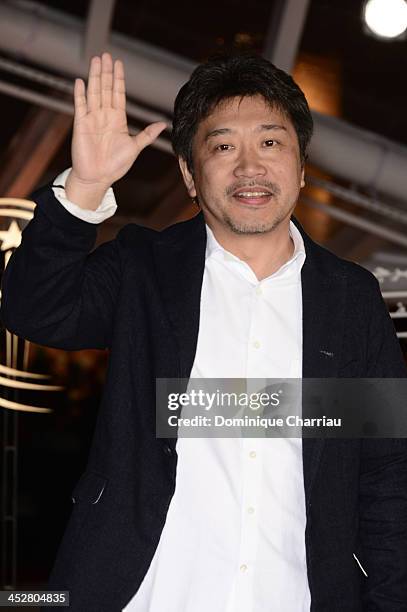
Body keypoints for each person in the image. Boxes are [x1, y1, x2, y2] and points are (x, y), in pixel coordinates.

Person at [1, 52, 406, 612]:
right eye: (222, 147)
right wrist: (85, 189)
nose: (249, 167)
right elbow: (35, 309)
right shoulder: (146, 266)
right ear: (190, 176)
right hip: (145, 594)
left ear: (302, 165)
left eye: (270, 142)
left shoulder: (351, 297)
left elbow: (387, 472)